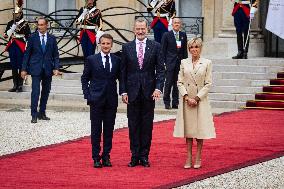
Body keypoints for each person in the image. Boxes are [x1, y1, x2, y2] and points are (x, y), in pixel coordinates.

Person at [120, 18, 165, 167]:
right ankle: (134, 155)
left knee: (146, 125)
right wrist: (123, 91)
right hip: (132, 93)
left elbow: (160, 70)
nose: (140, 31)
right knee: (133, 125)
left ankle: (144, 156)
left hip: (149, 92)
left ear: (147, 29)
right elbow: (123, 72)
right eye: (138, 29)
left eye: (143, 29)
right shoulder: (126, 47)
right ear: (134, 30)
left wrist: (158, 88)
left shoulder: (156, 46)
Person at [173, 37, 216, 169]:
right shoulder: (183, 62)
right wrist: (186, 97)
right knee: (189, 130)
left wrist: (197, 98)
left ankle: (198, 157)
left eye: (196, 47)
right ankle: (188, 157)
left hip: (200, 100)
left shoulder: (207, 63)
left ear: (200, 48)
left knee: (199, 130)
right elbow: (179, 81)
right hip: (187, 100)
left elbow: (208, 84)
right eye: (191, 47)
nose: (194, 49)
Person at [81, 34, 120, 168]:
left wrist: (124, 93)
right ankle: (96, 157)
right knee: (96, 130)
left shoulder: (116, 60)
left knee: (109, 130)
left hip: (111, 100)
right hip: (96, 100)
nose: (105, 46)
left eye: (108, 43)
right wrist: (88, 95)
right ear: (99, 44)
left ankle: (106, 156)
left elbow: (121, 79)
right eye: (103, 43)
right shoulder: (91, 59)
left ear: (111, 44)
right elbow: (84, 78)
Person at [21, 18, 60, 123]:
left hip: (48, 69)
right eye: (38, 25)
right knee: (35, 92)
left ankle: (42, 113)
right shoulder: (32, 38)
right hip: (35, 69)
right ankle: (34, 115)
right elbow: (27, 54)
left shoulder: (52, 38)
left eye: (42, 25)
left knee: (46, 92)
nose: (40, 27)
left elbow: (56, 55)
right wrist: (24, 69)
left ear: (46, 25)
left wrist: (56, 68)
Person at [3, 0, 31, 92]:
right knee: (14, 65)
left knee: (21, 65)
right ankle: (15, 85)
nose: (16, 15)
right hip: (12, 45)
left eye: (17, 14)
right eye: (14, 14)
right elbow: (6, 35)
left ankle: (20, 85)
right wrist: (10, 31)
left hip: (21, 45)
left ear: (21, 13)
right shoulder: (10, 23)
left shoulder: (25, 24)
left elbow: (28, 36)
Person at [161, 18, 187, 109]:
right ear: (172, 24)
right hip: (169, 63)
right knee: (168, 83)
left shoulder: (183, 35)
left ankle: (175, 102)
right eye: (175, 23)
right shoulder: (166, 35)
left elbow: (184, 51)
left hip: (179, 63)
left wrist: (185, 63)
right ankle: (166, 102)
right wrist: (163, 63)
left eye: (178, 23)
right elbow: (163, 50)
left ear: (180, 25)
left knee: (177, 84)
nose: (176, 24)